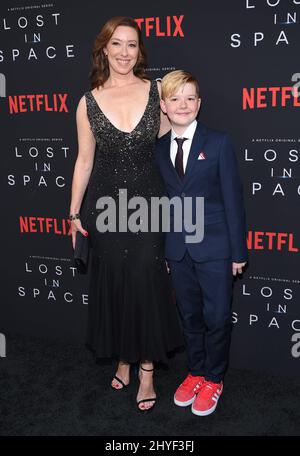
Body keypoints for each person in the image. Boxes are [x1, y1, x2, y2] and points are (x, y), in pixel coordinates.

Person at [69, 17, 183, 412]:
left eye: (131, 45)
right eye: (116, 44)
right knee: (115, 282)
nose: (123, 52)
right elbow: (84, 161)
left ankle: (147, 370)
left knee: (145, 283)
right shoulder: (87, 101)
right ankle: (122, 358)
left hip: (148, 207)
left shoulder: (157, 92)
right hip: (104, 208)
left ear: (140, 50)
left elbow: (175, 146)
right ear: (104, 49)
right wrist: (72, 214)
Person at [155, 70, 248, 416]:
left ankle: (214, 378)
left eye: (190, 98)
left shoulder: (218, 142)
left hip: (216, 248)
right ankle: (195, 372)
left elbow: (233, 199)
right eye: (175, 98)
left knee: (218, 316)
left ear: (199, 103)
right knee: (190, 316)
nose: (183, 105)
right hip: (178, 250)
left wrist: (238, 251)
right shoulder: (159, 149)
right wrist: (166, 248)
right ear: (163, 105)